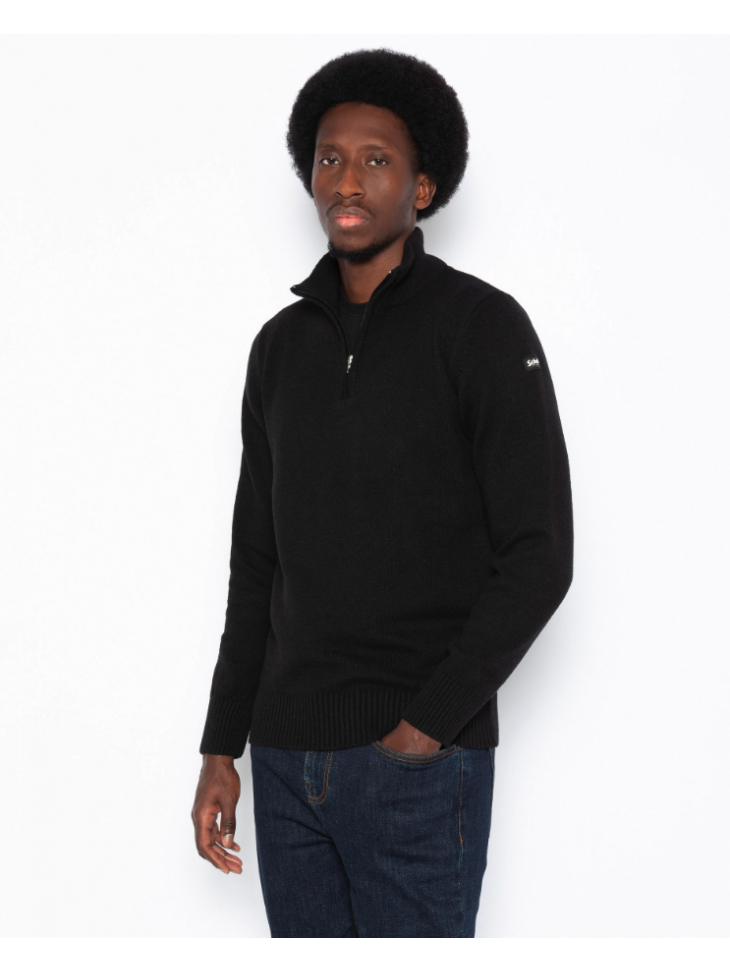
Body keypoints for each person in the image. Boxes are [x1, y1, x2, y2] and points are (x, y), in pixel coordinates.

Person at [191, 47, 574, 938]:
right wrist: (222, 744)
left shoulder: (482, 327)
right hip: (283, 764)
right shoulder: (279, 348)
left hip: (415, 767)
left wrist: (424, 730)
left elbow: (540, 556)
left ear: (422, 186)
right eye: (330, 157)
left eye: (376, 158)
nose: (347, 179)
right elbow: (257, 562)